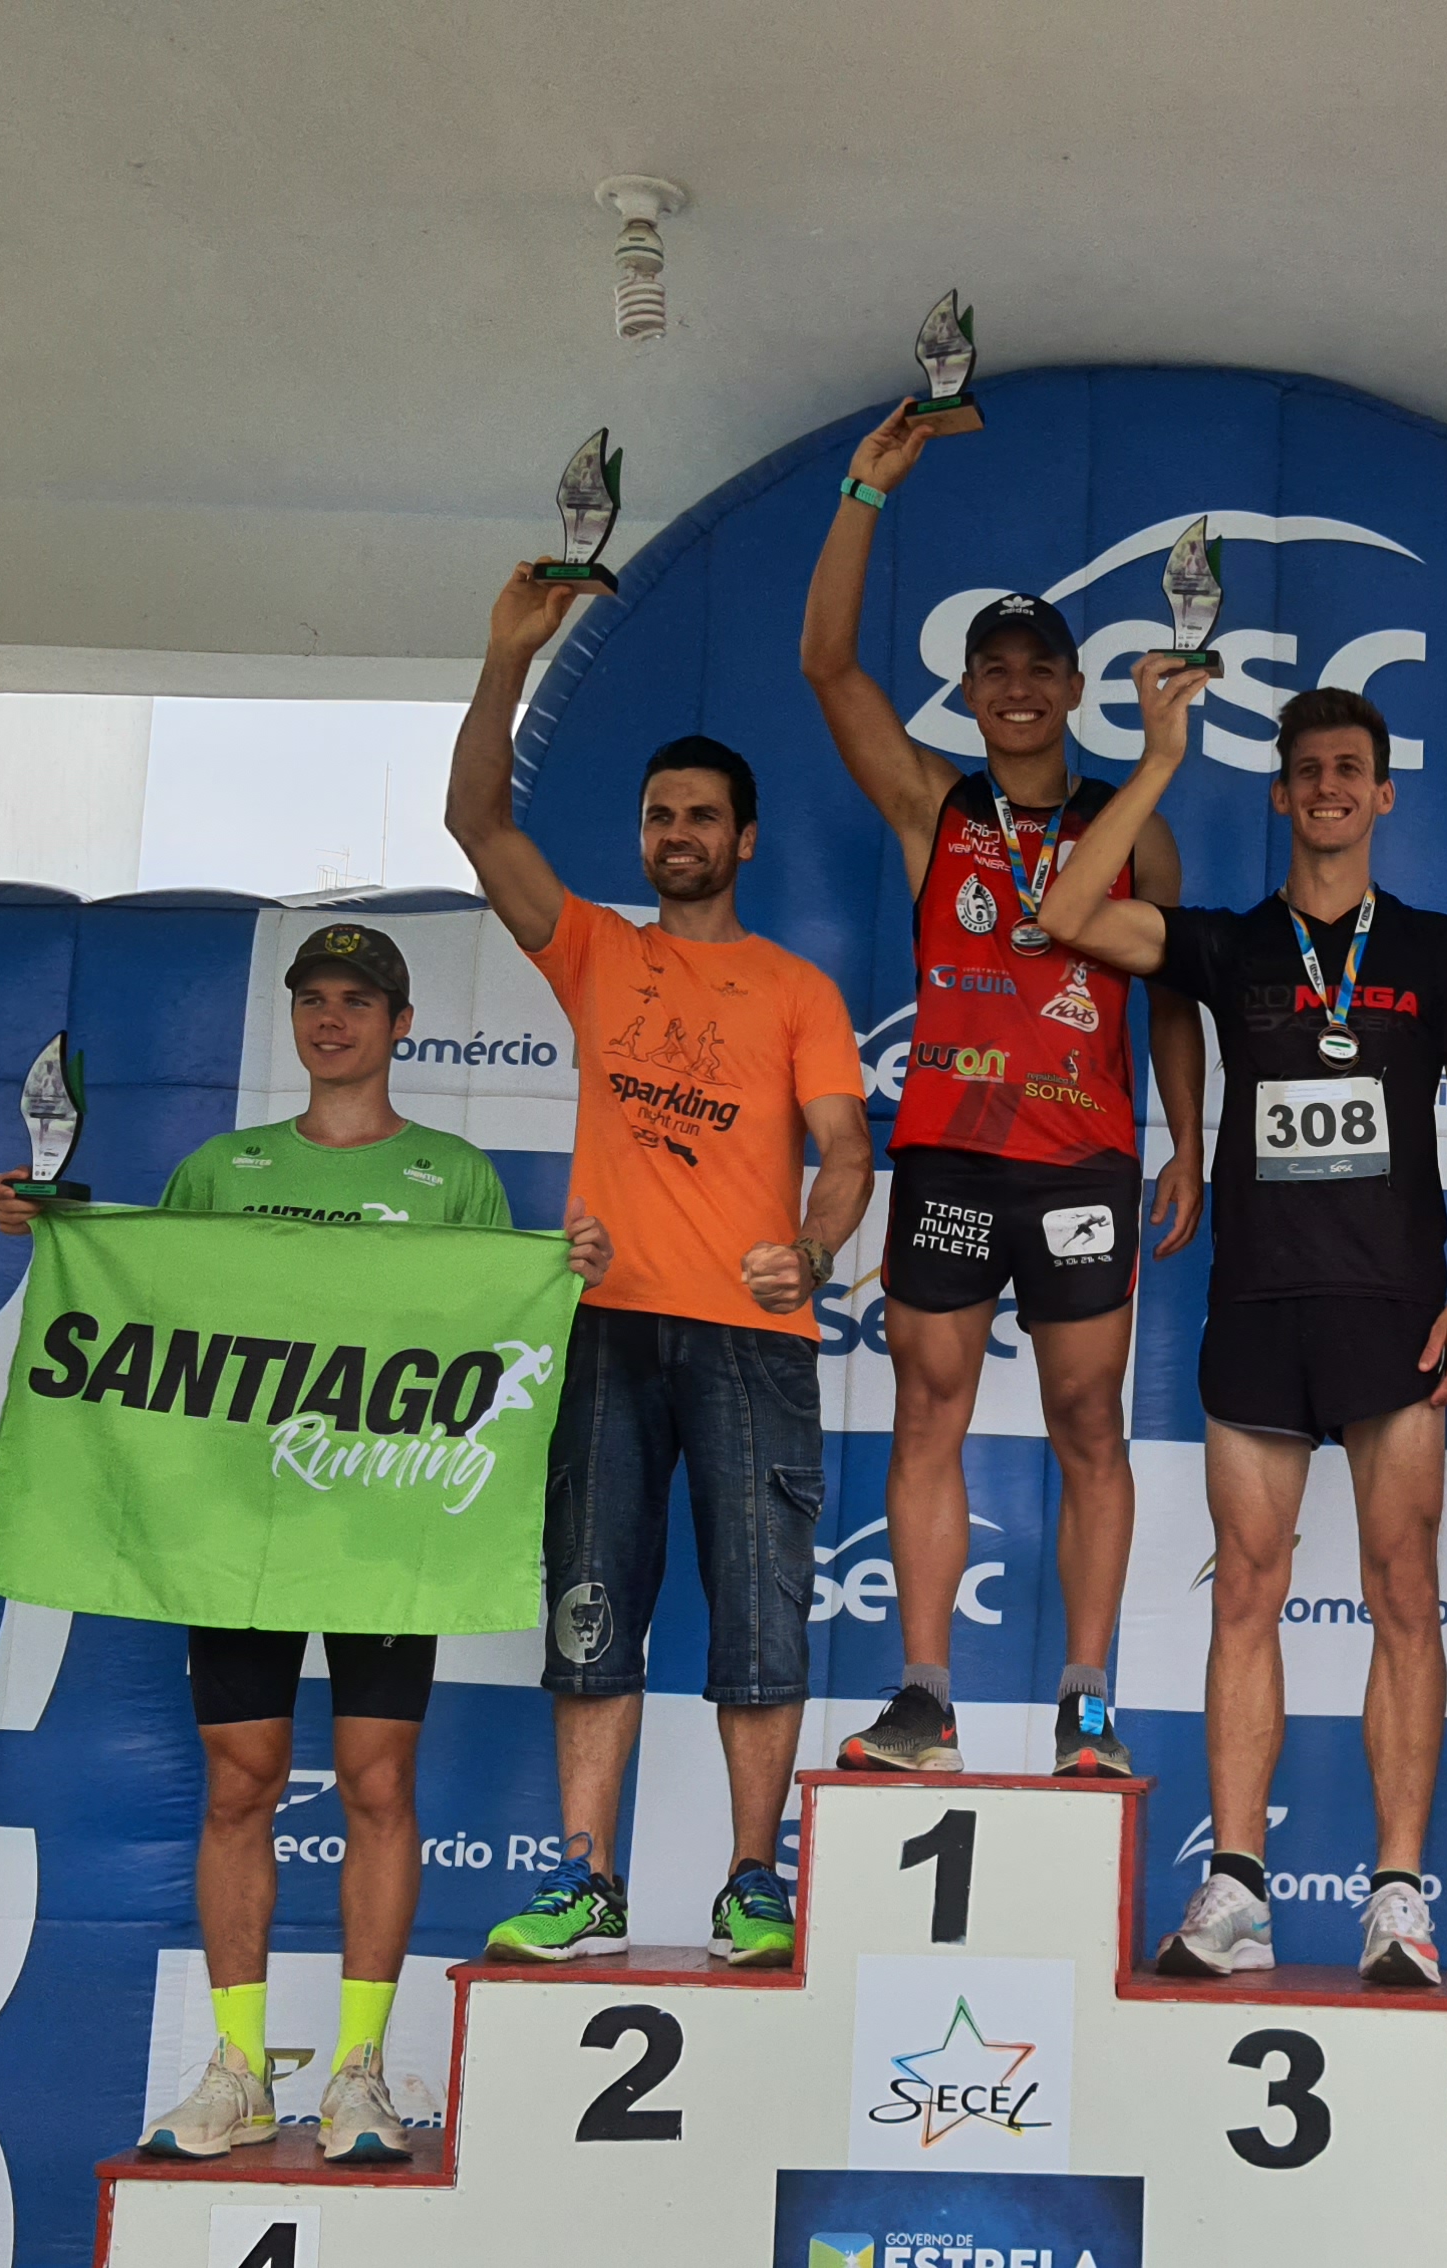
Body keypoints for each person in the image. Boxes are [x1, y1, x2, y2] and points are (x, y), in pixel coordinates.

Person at [0, 924, 607, 2163]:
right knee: (240, 1784)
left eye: (358, 1001)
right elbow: (158, 1300)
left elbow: (496, 1344)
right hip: (234, 1530)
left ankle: (361, 2074)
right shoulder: (225, 1167)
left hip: (385, 1525)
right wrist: (56, 1227)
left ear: (400, 1024)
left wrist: (564, 1270)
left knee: (377, 1785)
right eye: (313, 998)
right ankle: (239, 2070)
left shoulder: (452, 1175)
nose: (332, 1019)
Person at [1035, 657, 1447, 1988]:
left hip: (1396, 1312)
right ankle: (1237, 1888)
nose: (1328, 789)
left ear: (1384, 795)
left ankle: (1398, 1897)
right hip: (1256, 1304)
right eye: (1307, 774)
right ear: (1282, 797)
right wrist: (1161, 757)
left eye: (1350, 771)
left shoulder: (1438, 951)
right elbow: (1067, 912)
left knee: (1403, 1592)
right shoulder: (1234, 945)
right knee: (1245, 1592)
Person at [440, 562, 873, 1973]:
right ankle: (586, 1881)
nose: (676, 834)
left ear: (744, 838)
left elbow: (846, 1152)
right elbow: (477, 821)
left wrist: (811, 1249)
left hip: (752, 1338)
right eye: (657, 817)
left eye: (699, 817)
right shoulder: (595, 954)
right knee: (590, 1613)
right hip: (609, 1329)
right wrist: (506, 656)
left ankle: (751, 1882)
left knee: (759, 1622)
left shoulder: (799, 989)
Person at [797, 399, 1204, 1777]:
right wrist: (864, 494)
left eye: (1041, 668)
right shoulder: (936, 808)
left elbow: (1176, 993)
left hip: (1083, 1161)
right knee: (931, 1409)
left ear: (1076, 689)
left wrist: (1189, 1142)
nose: (1018, 687)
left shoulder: (1133, 832)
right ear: (969, 692)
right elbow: (827, 664)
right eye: (994, 669)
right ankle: (925, 1699)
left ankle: (1086, 1701)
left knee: (1090, 1421)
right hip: (953, 1157)